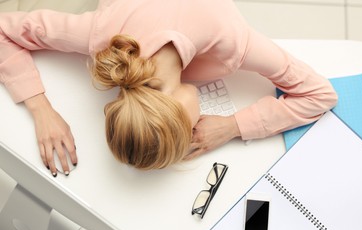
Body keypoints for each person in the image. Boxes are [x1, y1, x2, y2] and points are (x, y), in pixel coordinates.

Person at [0, 0, 337, 174]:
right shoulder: (103, 37)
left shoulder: (229, 38)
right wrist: (41, 109)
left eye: (190, 126)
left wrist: (234, 126)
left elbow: (321, 94)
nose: (197, 126)